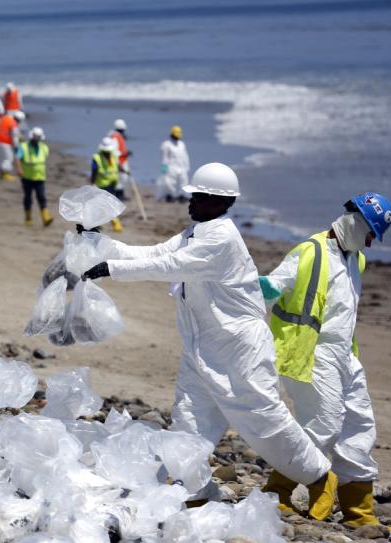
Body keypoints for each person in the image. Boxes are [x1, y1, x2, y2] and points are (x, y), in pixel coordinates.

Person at [80, 162, 338, 519]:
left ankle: (320, 477)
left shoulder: (221, 238)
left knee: (263, 418)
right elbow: (154, 254)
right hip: (201, 346)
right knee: (189, 419)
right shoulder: (195, 233)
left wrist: (111, 269)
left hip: (239, 348)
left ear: (221, 202)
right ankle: (196, 490)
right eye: (193, 196)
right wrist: (98, 244)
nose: (191, 203)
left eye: (199, 197)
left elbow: (171, 267)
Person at [260, 193, 391, 533]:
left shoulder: (356, 259)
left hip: (345, 356)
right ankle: (276, 491)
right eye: (370, 233)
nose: (370, 242)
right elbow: (269, 288)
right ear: (357, 220)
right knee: (324, 424)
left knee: (359, 425)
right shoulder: (310, 252)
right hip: (311, 352)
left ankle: (359, 511)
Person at [14, 126, 53, 228]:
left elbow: (44, 157)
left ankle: (45, 218)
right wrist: (19, 169)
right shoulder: (24, 147)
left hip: (39, 177)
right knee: (28, 198)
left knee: (42, 197)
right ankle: (28, 218)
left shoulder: (44, 147)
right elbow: (17, 158)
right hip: (27, 177)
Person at [91, 137, 124, 232]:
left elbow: (117, 165)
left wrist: (125, 171)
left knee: (108, 204)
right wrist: (93, 183)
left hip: (112, 183)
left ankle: (108, 223)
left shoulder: (113, 155)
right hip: (101, 184)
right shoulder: (97, 158)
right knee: (103, 204)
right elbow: (94, 170)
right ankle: (112, 223)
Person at [157, 125, 190, 202]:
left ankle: (182, 196)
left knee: (183, 181)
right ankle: (170, 196)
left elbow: (185, 156)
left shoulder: (182, 144)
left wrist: (187, 166)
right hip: (171, 167)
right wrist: (164, 167)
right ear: (172, 134)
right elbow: (164, 157)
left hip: (181, 167)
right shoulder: (166, 144)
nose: (177, 137)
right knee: (170, 182)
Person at [0, 110, 24, 181]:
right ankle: (5, 175)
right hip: (5, 143)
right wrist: (16, 147)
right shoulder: (14, 125)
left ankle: (1, 174)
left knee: (1, 158)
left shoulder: (5, 118)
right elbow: (15, 137)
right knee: (8, 158)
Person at [109, 118, 131, 200]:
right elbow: (114, 152)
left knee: (123, 178)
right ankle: (119, 195)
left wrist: (125, 153)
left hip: (122, 160)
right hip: (119, 161)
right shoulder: (115, 137)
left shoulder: (118, 136)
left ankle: (120, 194)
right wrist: (123, 155)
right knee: (120, 178)